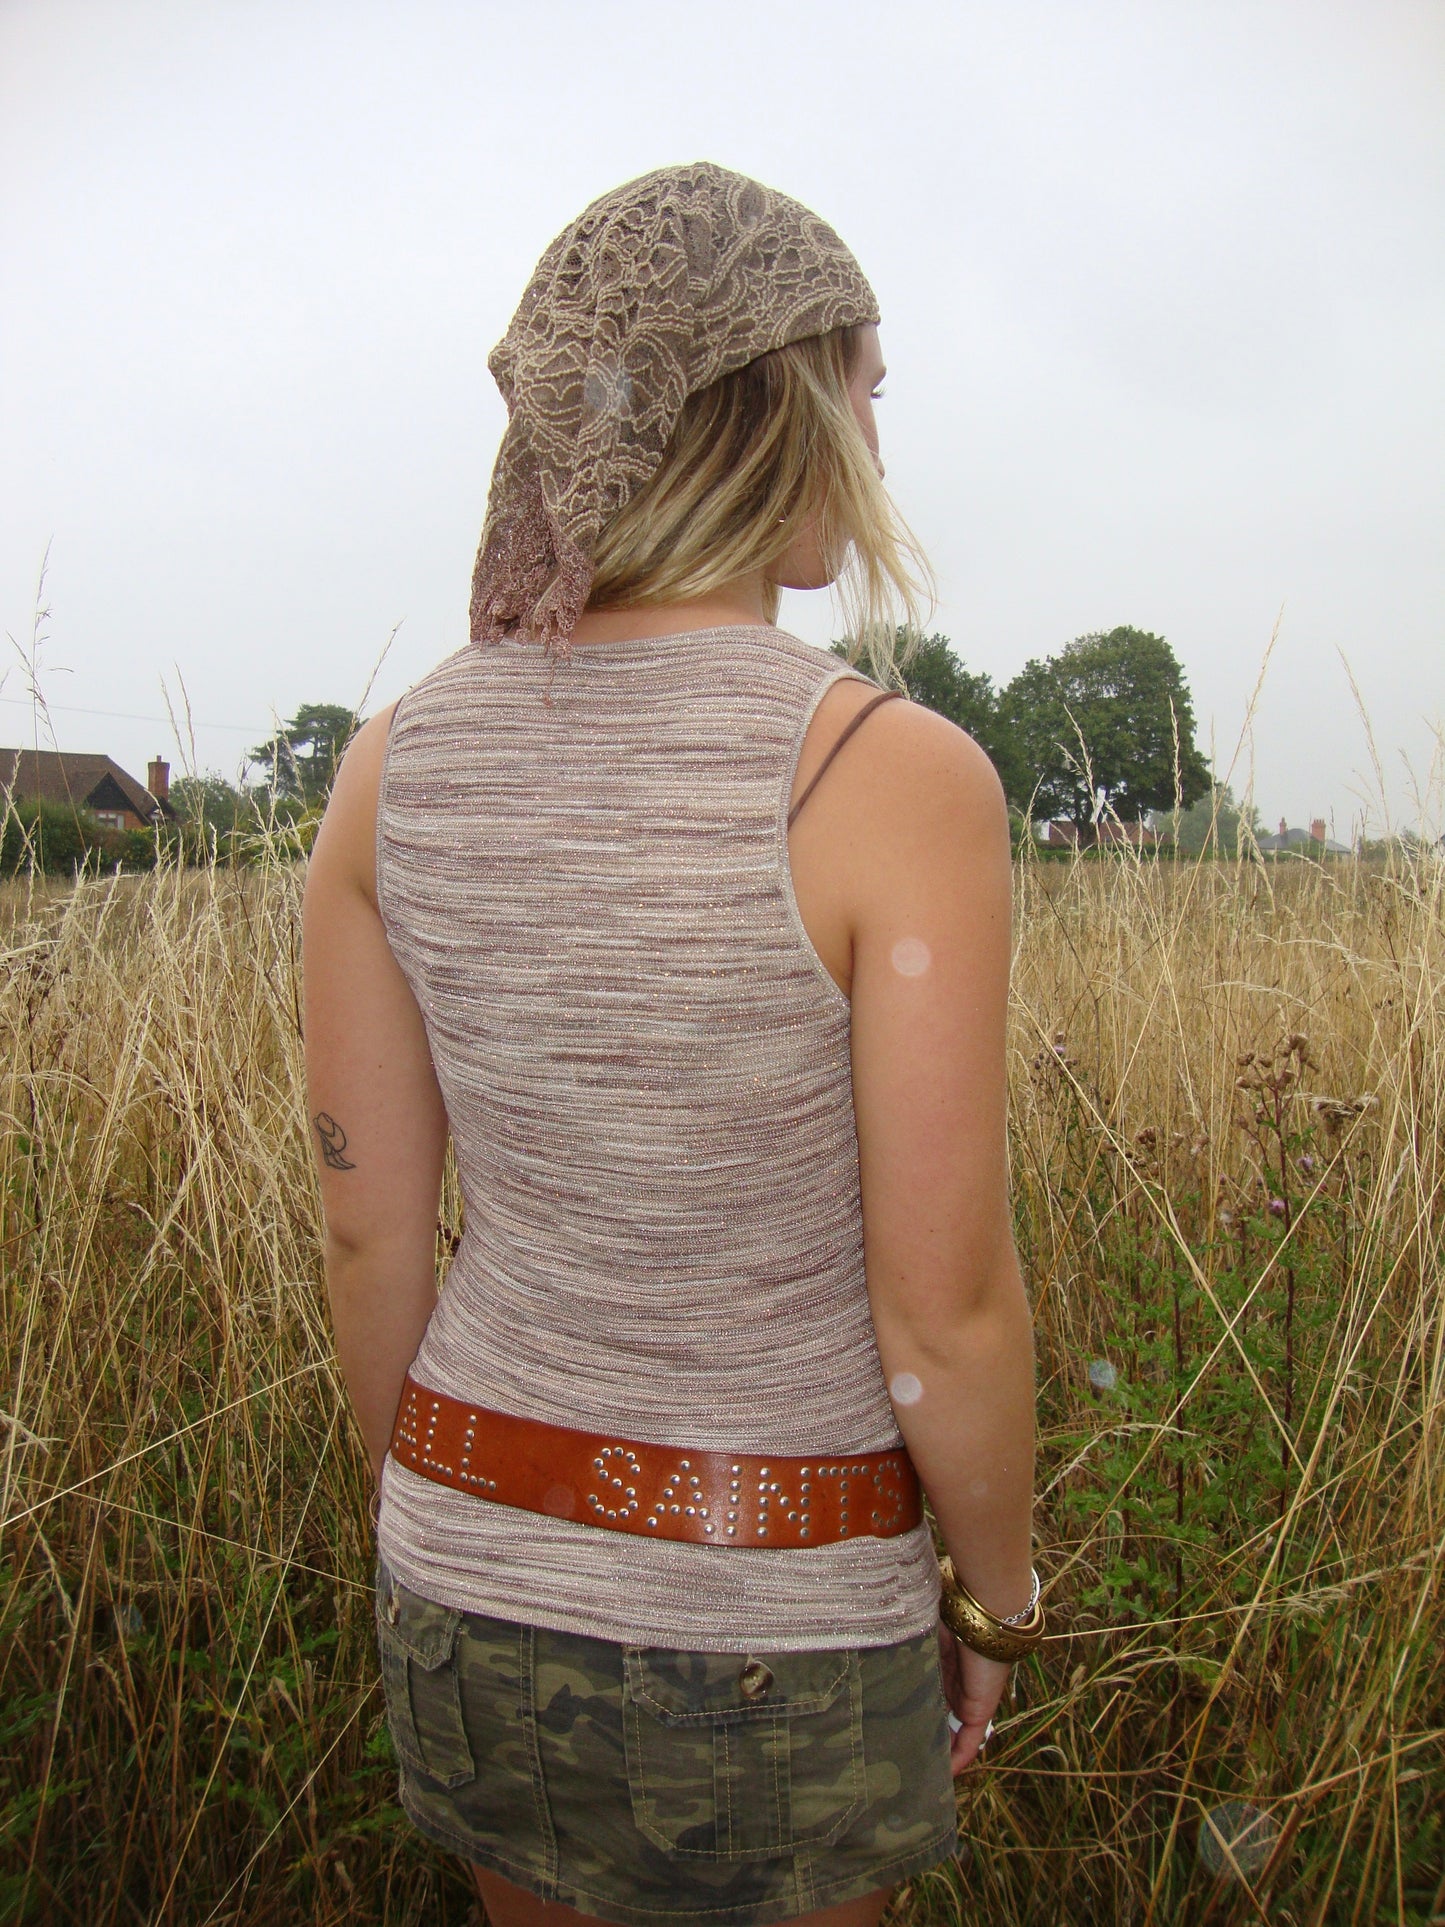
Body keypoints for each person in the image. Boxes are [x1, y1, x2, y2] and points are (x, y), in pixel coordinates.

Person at [302, 162, 1041, 1927]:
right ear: (771, 405)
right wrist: (997, 1600)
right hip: (773, 1603)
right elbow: (939, 1307)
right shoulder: (886, 778)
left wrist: (463, 1543)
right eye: (863, 383)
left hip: (466, 1562)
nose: (879, 428)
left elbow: (365, 1231)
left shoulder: (388, 769)